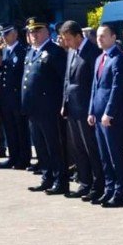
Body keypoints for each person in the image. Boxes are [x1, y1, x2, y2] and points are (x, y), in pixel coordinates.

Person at [22, 17, 69, 195]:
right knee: (40, 146)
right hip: (34, 108)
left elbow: (63, 80)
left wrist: (62, 104)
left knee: (54, 146)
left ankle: (60, 180)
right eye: (31, 32)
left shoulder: (55, 52)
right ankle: (46, 177)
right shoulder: (31, 52)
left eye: (38, 31)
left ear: (47, 32)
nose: (34, 35)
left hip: (50, 108)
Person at [61, 20, 104, 200]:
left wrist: (92, 110)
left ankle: (98, 185)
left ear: (79, 36)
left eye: (69, 39)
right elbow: (67, 80)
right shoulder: (71, 51)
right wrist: (64, 102)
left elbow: (95, 84)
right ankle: (84, 183)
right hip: (72, 108)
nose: (67, 43)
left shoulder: (93, 53)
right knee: (78, 148)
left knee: (91, 148)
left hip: (86, 109)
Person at [88, 24, 123, 207]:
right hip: (97, 115)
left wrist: (109, 113)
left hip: (110, 116)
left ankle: (120, 193)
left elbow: (116, 89)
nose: (99, 39)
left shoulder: (118, 59)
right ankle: (109, 189)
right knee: (104, 156)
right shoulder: (99, 59)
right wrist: (91, 110)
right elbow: (95, 87)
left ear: (113, 37)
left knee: (115, 155)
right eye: (97, 36)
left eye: (103, 36)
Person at [0, 23, 29, 169]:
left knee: (20, 129)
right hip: (5, 97)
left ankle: (23, 158)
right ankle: (13, 156)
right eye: (2, 34)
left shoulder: (22, 51)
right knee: (9, 128)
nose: (4, 37)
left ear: (15, 34)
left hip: (16, 97)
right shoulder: (4, 51)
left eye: (6, 34)